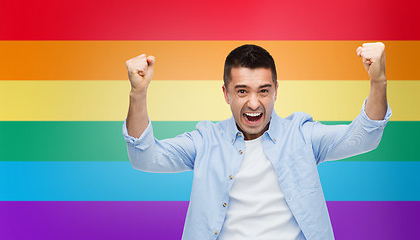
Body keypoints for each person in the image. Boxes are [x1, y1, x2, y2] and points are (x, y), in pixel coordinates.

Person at [122, 43, 391, 240]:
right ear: (226, 94)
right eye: (242, 91)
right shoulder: (205, 141)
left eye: (264, 91)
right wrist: (138, 93)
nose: (254, 103)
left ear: (276, 91)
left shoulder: (302, 134)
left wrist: (378, 80)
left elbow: (365, 138)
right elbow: (144, 157)